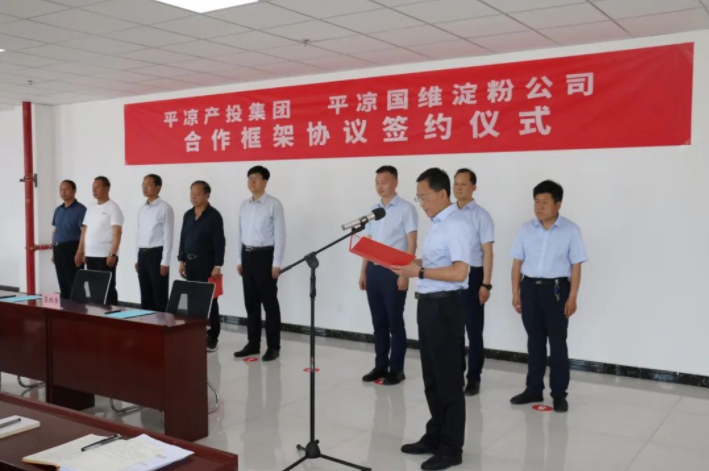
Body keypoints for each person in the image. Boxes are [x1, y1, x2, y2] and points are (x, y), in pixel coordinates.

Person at [393, 168, 471, 471]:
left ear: (442, 194)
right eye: (418, 198)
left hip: (446, 308)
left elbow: (460, 272)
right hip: (428, 305)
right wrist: (408, 263)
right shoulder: (438, 224)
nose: (422, 204)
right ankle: (435, 435)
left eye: (424, 197)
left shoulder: (457, 224)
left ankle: (452, 449)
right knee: (432, 379)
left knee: (448, 380)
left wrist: (420, 271)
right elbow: (438, 262)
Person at [509, 180, 587, 413]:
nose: (539, 207)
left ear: (558, 204)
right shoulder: (525, 229)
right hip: (529, 289)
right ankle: (533, 388)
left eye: (545, 202)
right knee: (534, 342)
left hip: (557, 291)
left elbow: (576, 266)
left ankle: (559, 394)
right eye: (536, 202)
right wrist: (515, 292)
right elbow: (517, 263)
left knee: (557, 343)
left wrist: (572, 297)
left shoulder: (571, 230)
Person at [360, 166, 417, 385]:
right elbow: (368, 244)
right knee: (378, 322)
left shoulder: (406, 209)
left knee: (395, 321)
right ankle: (380, 366)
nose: (379, 186)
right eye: (377, 182)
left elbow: (412, 243)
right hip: (374, 271)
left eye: (384, 182)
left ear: (395, 182)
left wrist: (405, 274)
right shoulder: (374, 210)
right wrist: (363, 271)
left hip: (395, 271)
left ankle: (397, 369)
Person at [233, 166, 285, 362]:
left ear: (265, 181)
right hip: (247, 256)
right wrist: (239, 259)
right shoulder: (244, 205)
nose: (252, 182)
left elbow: (280, 235)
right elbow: (240, 233)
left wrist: (276, 263)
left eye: (256, 178)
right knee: (251, 302)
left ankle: (273, 346)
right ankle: (253, 343)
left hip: (265, 257)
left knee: (269, 303)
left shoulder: (274, 204)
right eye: (249, 178)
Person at [453, 169, 494, 397]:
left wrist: (485, 284)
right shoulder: (448, 214)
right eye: (456, 183)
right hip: (451, 275)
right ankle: (456, 375)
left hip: (473, 275)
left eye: (463, 184)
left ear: (473, 187)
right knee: (454, 330)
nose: (459, 188)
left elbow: (488, 252)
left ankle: (474, 377)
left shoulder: (481, 216)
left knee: (474, 330)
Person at [178, 181, 226, 352]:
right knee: (192, 300)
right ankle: (196, 332)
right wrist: (181, 260)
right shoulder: (188, 215)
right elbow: (183, 238)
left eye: (197, 193)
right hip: (190, 264)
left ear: (207, 195)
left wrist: (217, 265)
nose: (193, 196)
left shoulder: (214, 216)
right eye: (191, 193)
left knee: (210, 300)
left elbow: (220, 243)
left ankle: (212, 336)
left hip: (207, 264)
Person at [78, 176, 124, 305]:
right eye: (93, 187)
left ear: (107, 188)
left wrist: (113, 253)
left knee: (107, 288)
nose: (94, 190)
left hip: (105, 255)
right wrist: (84, 252)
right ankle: (96, 312)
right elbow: (85, 231)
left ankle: (112, 313)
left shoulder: (113, 208)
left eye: (97, 187)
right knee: (93, 287)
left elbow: (117, 233)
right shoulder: (91, 208)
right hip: (91, 255)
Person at [135, 174, 174, 312]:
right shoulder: (142, 209)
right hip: (143, 254)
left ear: (158, 187)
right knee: (145, 293)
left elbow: (168, 236)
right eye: (143, 185)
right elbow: (139, 234)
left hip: (156, 254)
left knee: (159, 294)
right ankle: (147, 322)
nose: (144, 187)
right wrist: (137, 258)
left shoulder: (165, 208)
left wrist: (165, 261)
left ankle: (161, 322)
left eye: (148, 185)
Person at [51, 180, 87, 299]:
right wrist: (53, 251)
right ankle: (65, 307)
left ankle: (78, 309)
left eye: (66, 189)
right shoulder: (58, 209)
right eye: (61, 189)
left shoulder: (80, 209)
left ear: (74, 191)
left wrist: (80, 252)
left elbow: (84, 231)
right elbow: (55, 230)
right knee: (63, 282)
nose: (63, 192)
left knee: (75, 283)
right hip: (58, 248)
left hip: (72, 248)